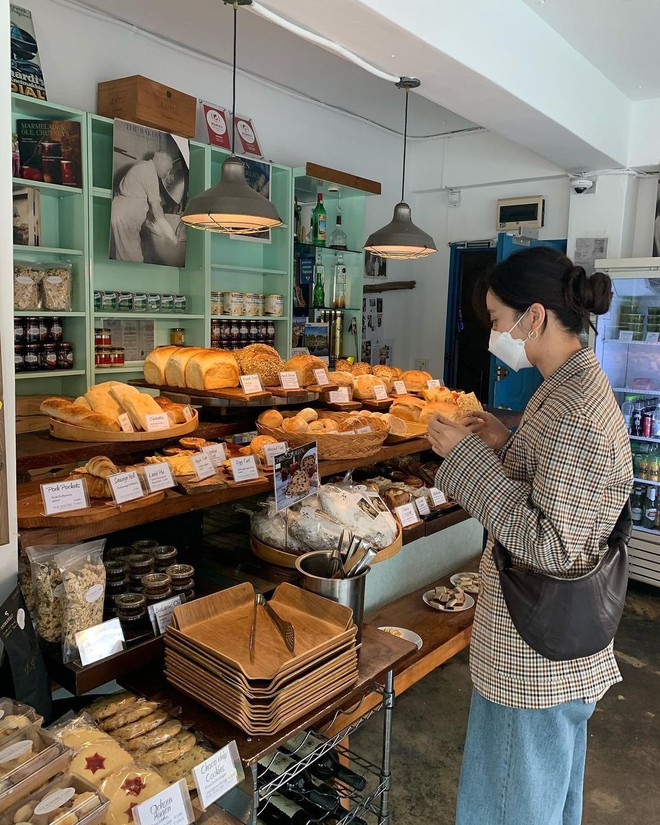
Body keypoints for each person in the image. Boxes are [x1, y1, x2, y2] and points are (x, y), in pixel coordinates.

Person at [427, 247, 633, 825]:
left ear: (534, 316)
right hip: (554, 643)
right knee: (544, 797)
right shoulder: (568, 382)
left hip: (536, 658)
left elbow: (550, 543)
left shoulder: (573, 407)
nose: (497, 335)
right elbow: (559, 486)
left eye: (498, 321)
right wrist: (505, 441)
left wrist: (464, 458)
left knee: (510, 804)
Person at [110, 151, 177, 262]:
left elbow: (143, 202)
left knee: (122, 258)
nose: (168, 173)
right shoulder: (149, 172)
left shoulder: (145, 167)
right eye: (168, 169)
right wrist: (171, 234)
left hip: (122, 215)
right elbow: (156, 207)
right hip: (125, 218)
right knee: (133, 260)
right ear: (160, 161)